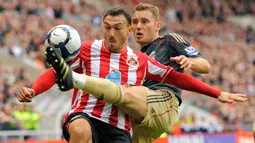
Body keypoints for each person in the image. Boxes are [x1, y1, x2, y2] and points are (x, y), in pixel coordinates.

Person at [18, 7, 247, 143]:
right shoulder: (88, 50)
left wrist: (216, 93)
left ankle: (79, 82)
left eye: (117, 28)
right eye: (107, 27)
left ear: (128, 31)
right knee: (80, 130)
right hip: (85, 115)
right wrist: (34, 90)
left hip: (119, 127)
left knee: (129, 94)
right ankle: (77, 81)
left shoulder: (141, 61)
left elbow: (178, 78)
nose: (110, 33)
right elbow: (55, 71)